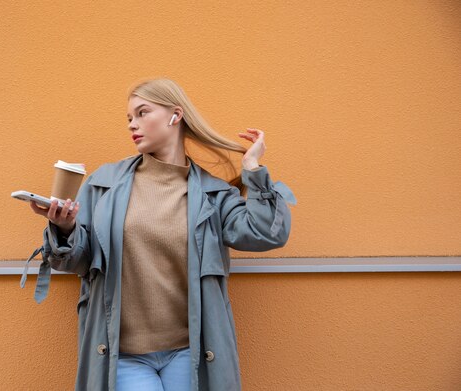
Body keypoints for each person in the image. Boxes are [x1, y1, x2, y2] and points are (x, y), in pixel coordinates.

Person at [20, 78, 297, 391]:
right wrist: (65, 227)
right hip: (122, 355)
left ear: (175, 115)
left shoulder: (213, 194)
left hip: (189, 351)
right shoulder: (104, 184)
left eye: (142, 113)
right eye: (129, 118)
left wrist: (253, 169)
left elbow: (265, 234)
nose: (132, 125)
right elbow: (77, 263)